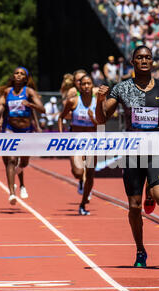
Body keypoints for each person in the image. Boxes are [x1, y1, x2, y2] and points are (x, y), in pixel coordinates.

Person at [96, 45, 159, 267]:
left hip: (156, 152)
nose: (144, 61)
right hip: (132, 155)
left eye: (147, 58)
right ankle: (141, 250)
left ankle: (151, 194)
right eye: (139, 58)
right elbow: (101, 119)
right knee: (134, 207)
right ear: (133, 62)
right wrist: (100, 100)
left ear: (152, 62)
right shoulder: (121, 89)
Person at [0, 67, 45, 204]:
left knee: (24, 162)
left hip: (26, 131)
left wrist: (30, 104)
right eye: (16, 73)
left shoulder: (29, 92)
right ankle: (11, 193)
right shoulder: (6, 92)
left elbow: (42, 109)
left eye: (22, 74)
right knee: (11, 160)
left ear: (25, 78)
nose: (18, 75)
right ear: (13, 76)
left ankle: (20, 181)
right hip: (10, 130)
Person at [58, 74, 98, 215]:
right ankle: (81, 180)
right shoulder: (73, 101)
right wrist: (62, 135)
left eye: (89, 84)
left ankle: (83, 204)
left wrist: (94, 119)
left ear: (92, 86)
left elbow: (102, 123)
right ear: (79, 87)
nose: (86, 86)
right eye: (84, 84)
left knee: (91, 174)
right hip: (76, 142)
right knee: (78, 172)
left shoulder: (97, 102)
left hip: (93, 142)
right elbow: (61, 117)